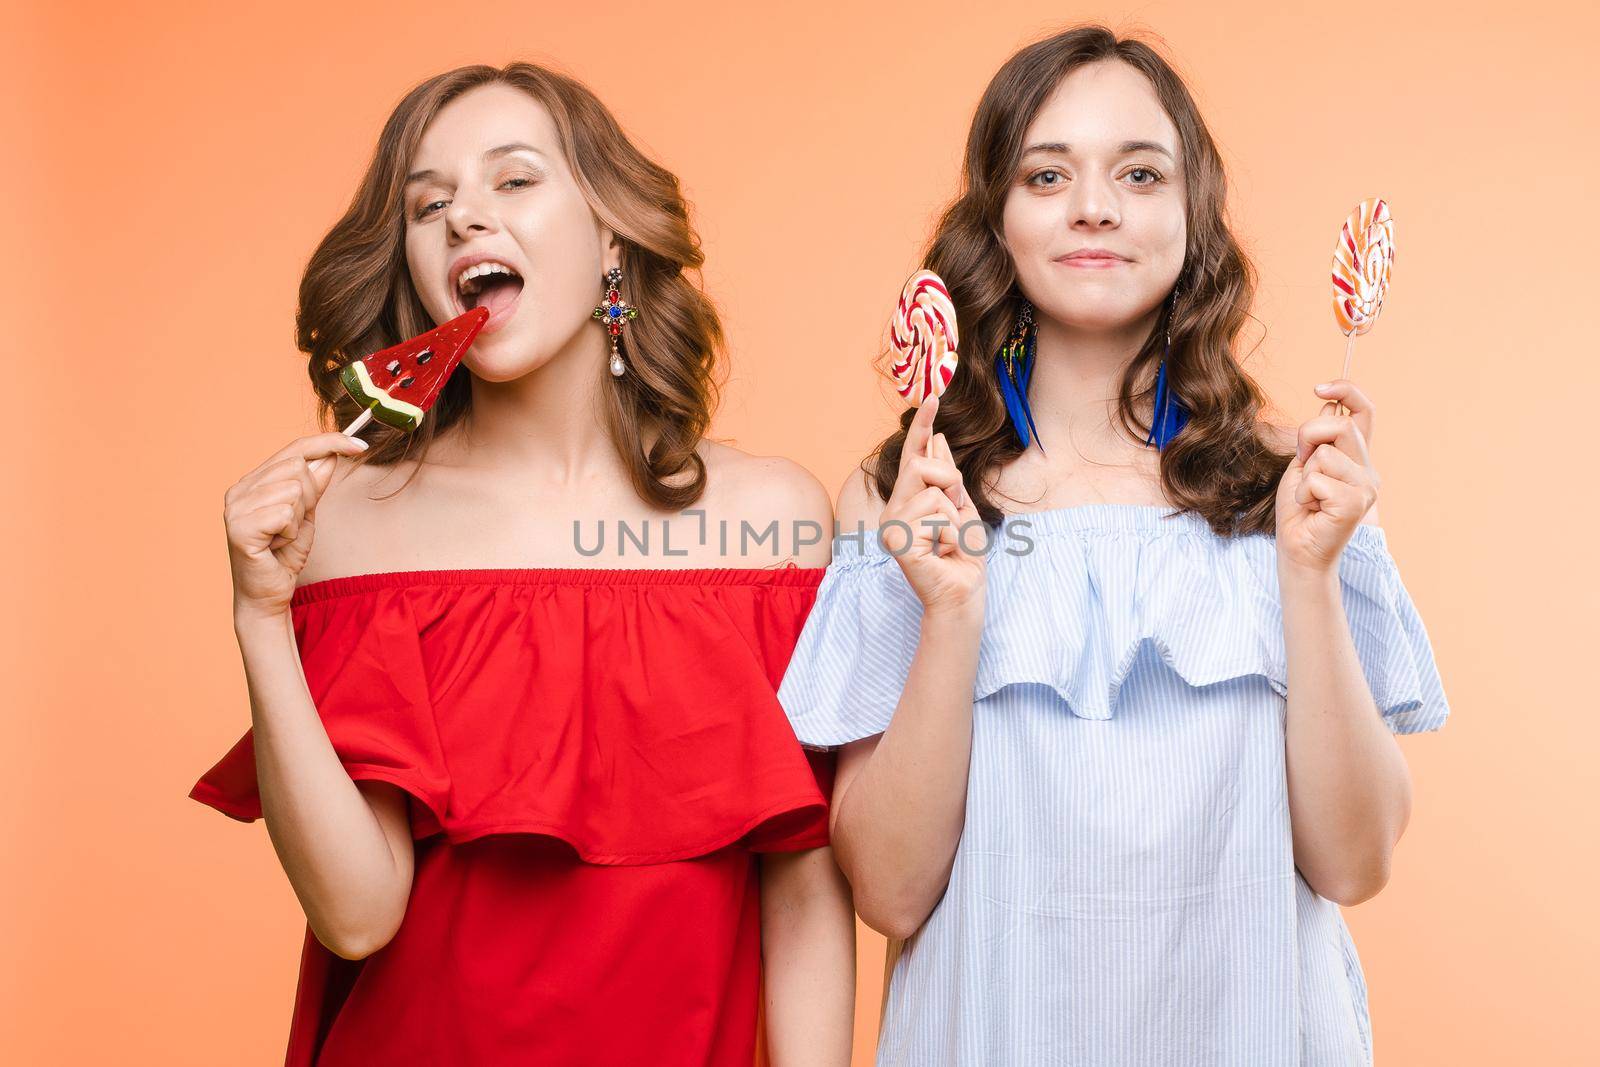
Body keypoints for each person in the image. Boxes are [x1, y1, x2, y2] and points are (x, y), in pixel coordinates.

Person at [777, 25, 1449, 1066]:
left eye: (1139, 172)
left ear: (1193, 215)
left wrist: (1306, 575)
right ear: (995, 218)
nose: (1094, 205)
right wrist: (953, 606)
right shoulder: (907, 492)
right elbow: (890, 888)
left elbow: (1354, 860)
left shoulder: (1296, 480)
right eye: (1048, 174)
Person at [190, 62, 854, 1066]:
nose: (463, 218)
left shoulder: (770, 519)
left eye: (513, 180)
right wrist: (259, 616)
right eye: (429, 204)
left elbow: (805, 901)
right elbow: (357, 915)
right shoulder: (353, 525)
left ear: (612, 238)